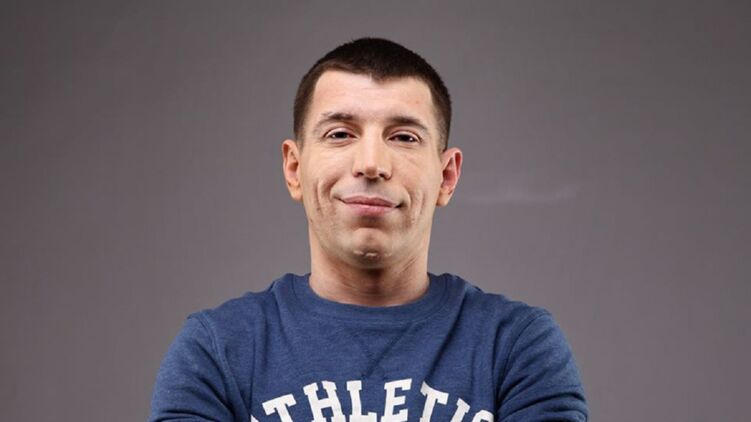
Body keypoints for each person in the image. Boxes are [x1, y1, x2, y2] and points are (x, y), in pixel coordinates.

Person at [149, 37, 588, 422]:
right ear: (294, 169)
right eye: (340, 134)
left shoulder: (517, 346)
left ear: (446, 176)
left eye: (404, 137)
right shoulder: (217, 351)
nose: (371, 163)